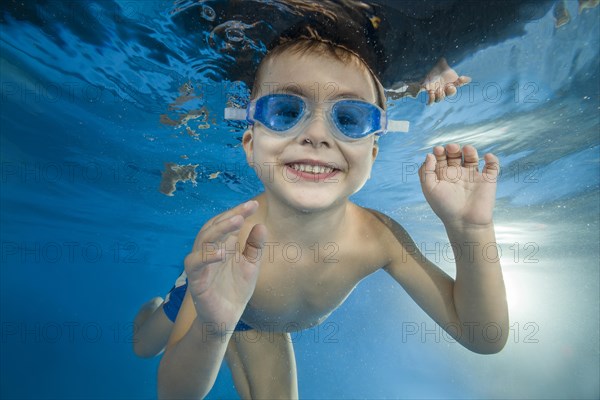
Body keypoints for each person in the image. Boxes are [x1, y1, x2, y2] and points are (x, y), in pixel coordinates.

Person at [141, 36, 507, 398]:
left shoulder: (378, 237)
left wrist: (470, 229)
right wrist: (214, 325)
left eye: (349, 118)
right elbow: (174, 394)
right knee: (144, 345)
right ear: (250, 145)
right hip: (216, 301)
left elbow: (481, 336)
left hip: (260, 323)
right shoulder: (229, 243)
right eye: (285, 111)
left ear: (373, 154)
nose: (316, 135)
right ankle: (155, 309)